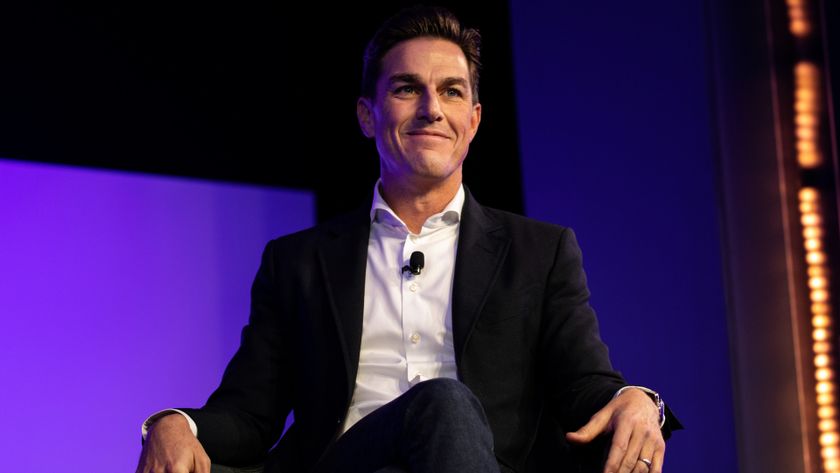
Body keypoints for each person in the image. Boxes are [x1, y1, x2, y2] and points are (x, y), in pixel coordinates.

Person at [136, 6, 680, 473]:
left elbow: (585, 384)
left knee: (447, 409)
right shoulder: (298, 262)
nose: (431, 109)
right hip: (346, 465)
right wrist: (172, 423)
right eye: (405, 89)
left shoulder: (540, 252)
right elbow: (249, 414)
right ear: (367, 116)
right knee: (439, 403)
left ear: (473, 120)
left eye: (451, 91)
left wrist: (637, 400)